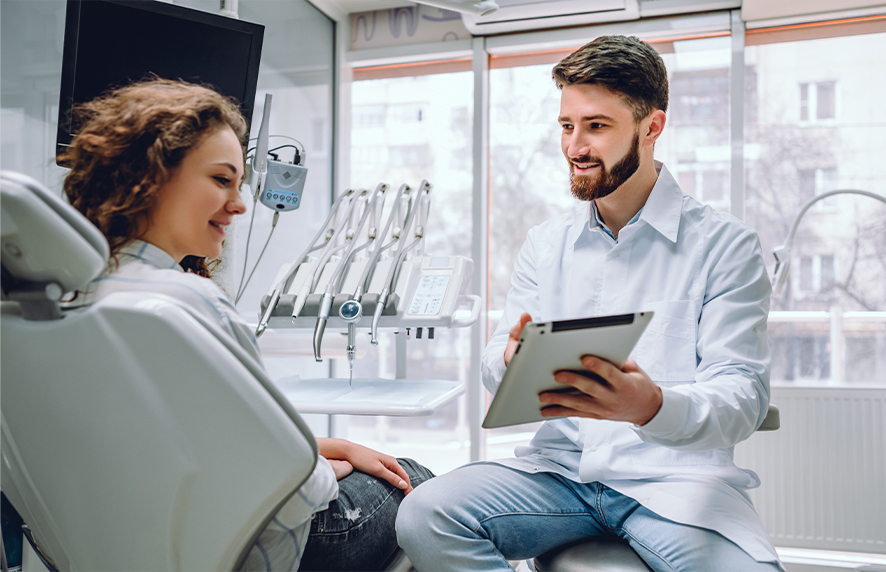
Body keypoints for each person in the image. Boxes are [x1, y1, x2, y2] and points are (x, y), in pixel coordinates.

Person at [396, 35, 782, 571]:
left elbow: (743, 396)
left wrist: (650, 406)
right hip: (562, 475)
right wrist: (511, 361)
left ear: (652, 128)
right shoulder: (545, 243)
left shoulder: (725, 245)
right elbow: (492, 363)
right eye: (566, 126)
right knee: (424, 515)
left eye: (596, 126)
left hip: (676, 482)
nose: (576, 146)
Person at [59, 78, 434, 572]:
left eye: (240, 185)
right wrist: (325, 467)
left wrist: (326, 446)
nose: (238, 204)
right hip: (246, 549)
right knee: (419, 480)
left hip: (118, 547)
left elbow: (174, 438)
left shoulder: (64, 303)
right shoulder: (188, 304)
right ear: (148, 176)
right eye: (221, 180)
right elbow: (302, 492)